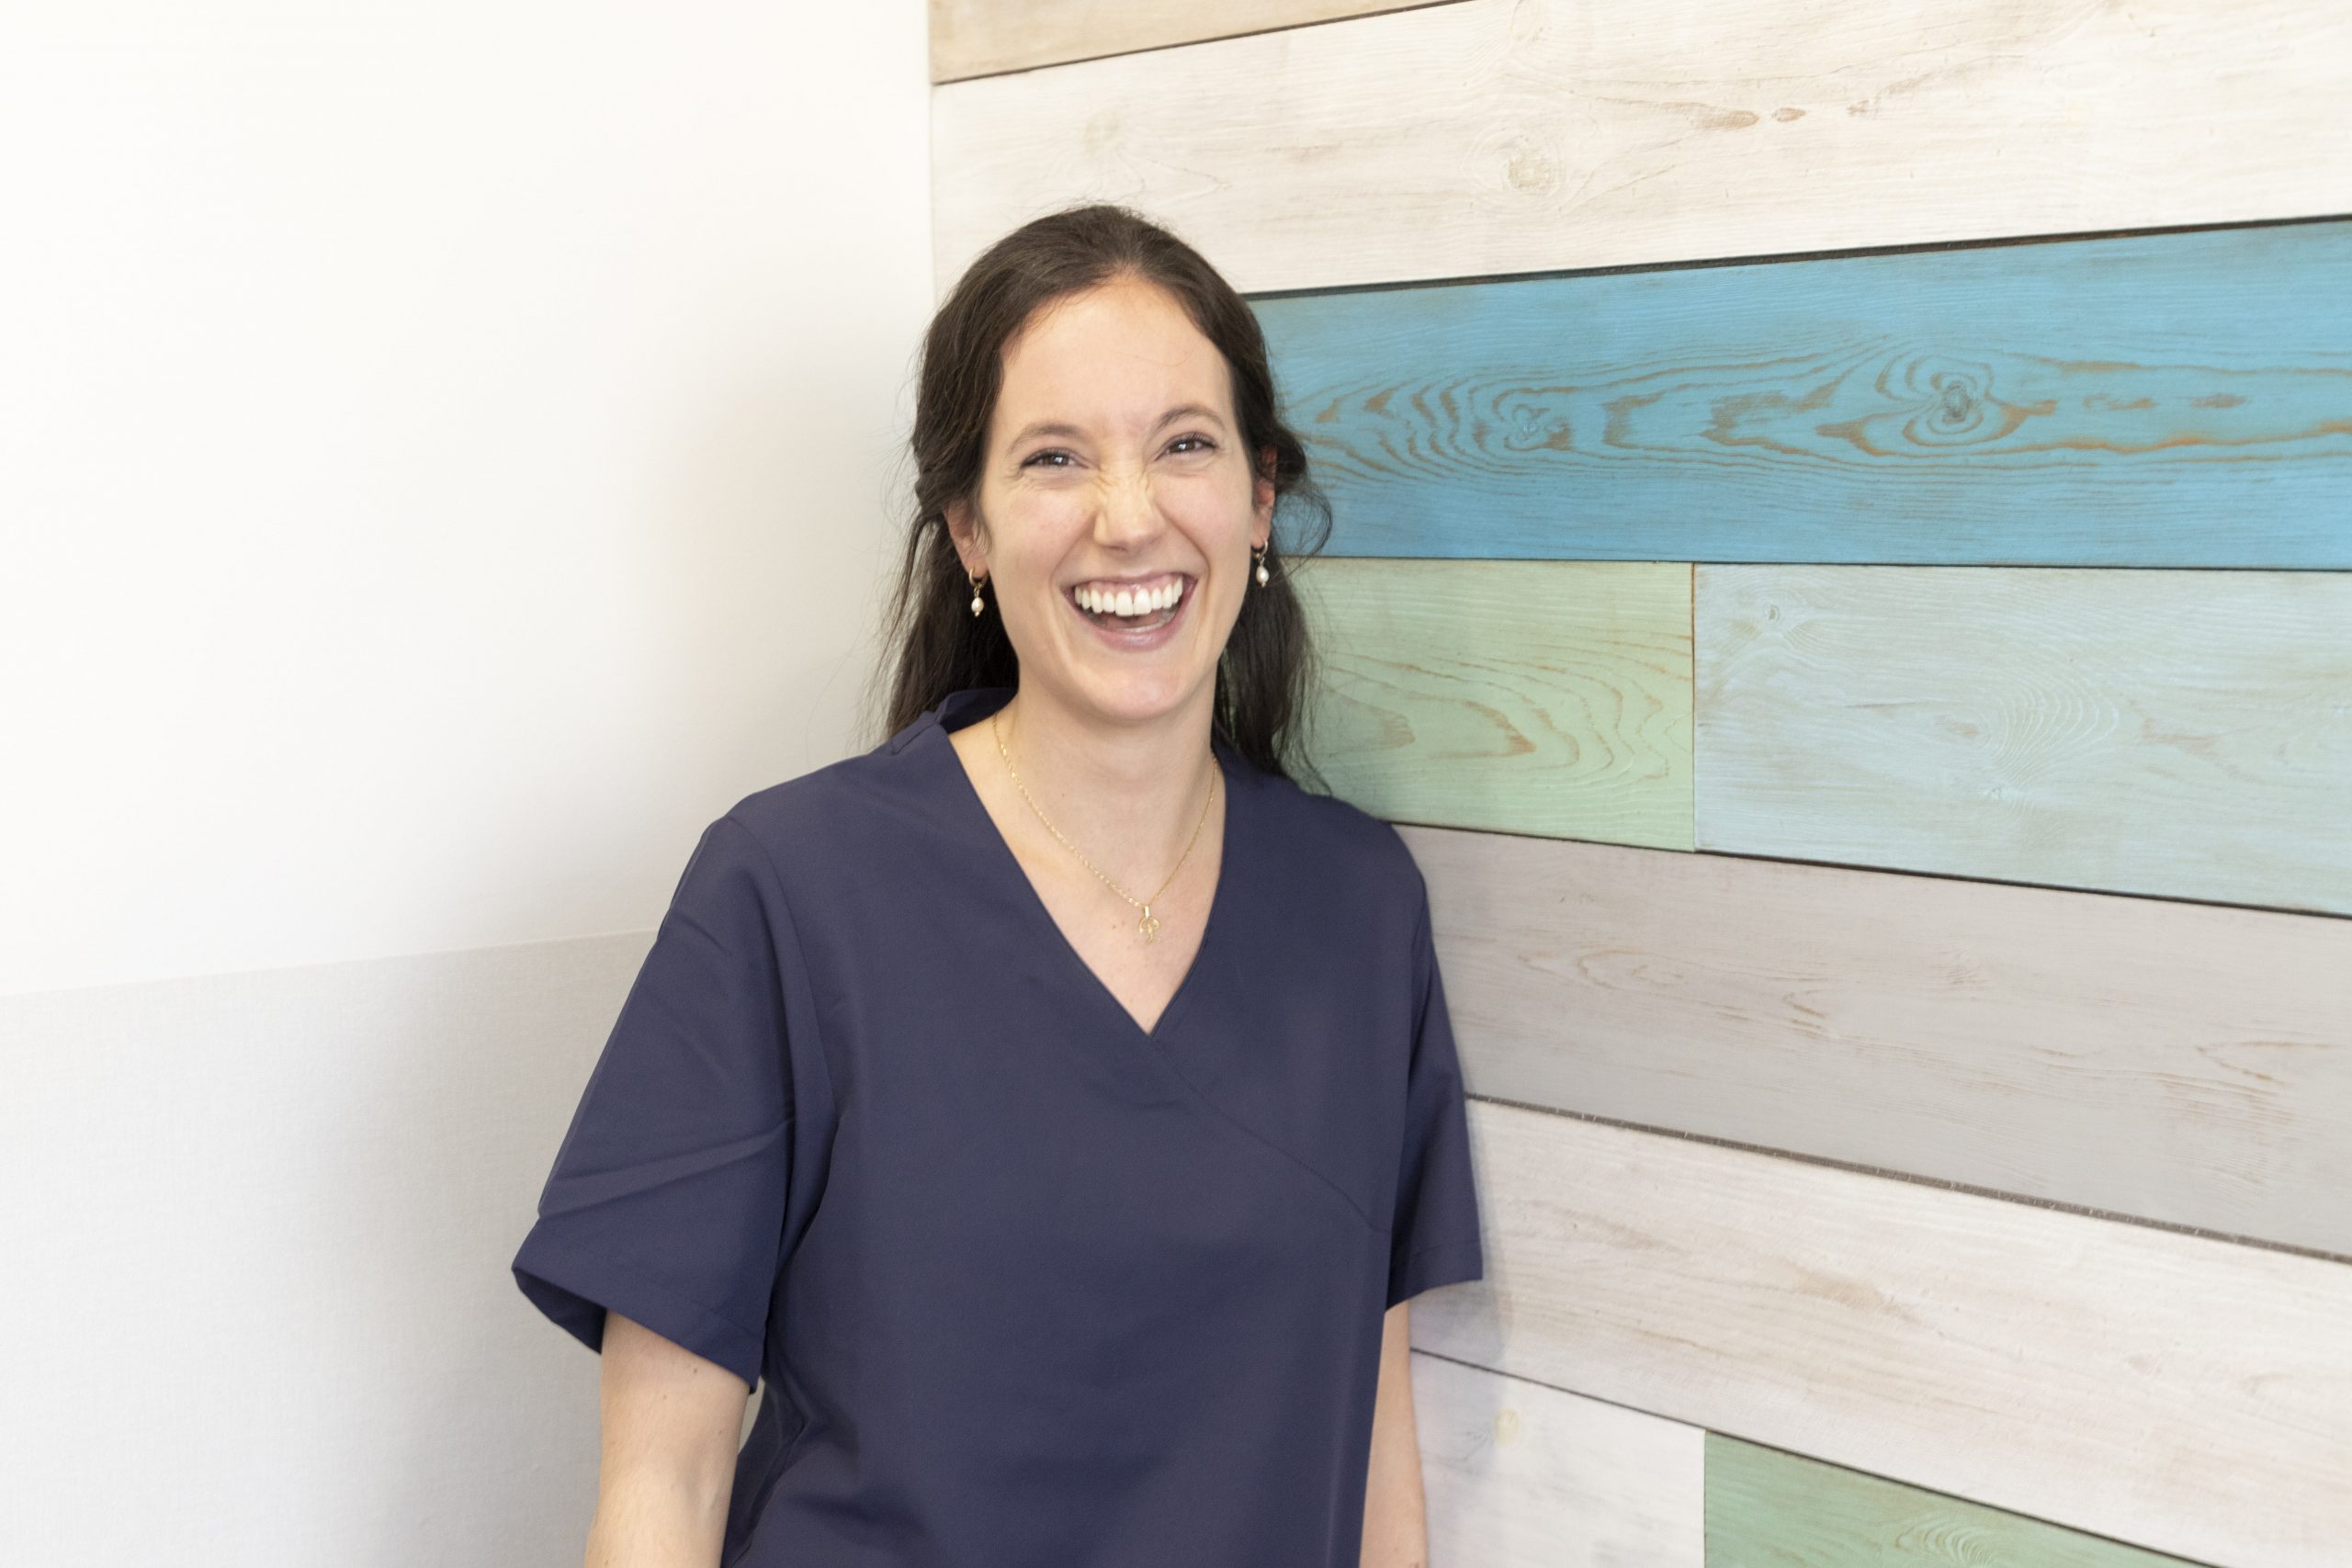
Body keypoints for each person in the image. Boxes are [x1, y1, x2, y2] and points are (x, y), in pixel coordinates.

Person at [510, 202, 1486, 1567]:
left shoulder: (1360, 907)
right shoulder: (789, 893)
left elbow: (1373, 1448)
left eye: (1184, 446)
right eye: (1054, 459)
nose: (1129, 519)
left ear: (1260, 497)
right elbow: (661, 1491)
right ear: (969, 526)